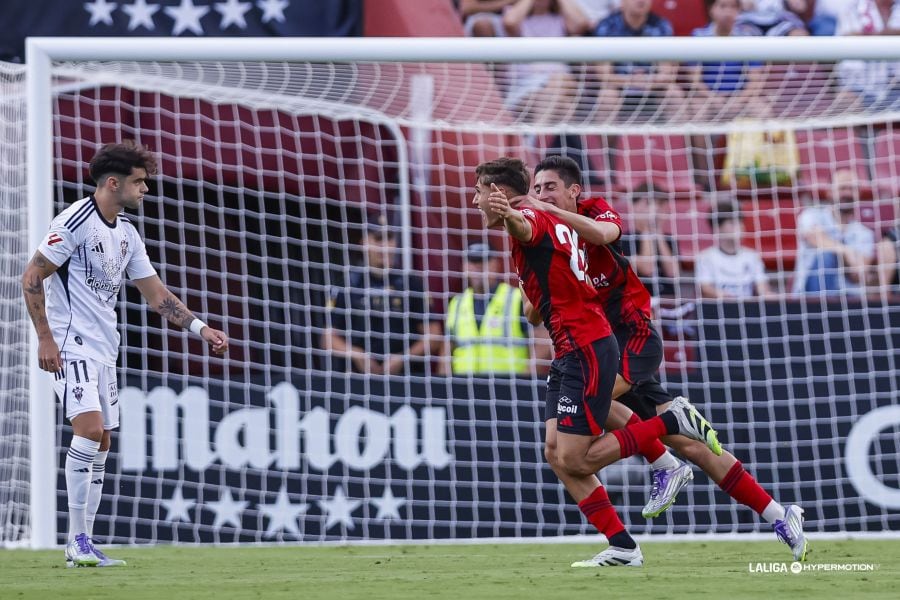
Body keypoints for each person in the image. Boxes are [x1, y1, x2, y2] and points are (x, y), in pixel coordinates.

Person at [529, 155, 808, 561]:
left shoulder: (595, 212)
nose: (541, 196)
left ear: (574, 190)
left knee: (588, 411)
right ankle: (778, 514)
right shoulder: (543, 237)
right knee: (690, 447)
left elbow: (605, 234)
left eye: (550, 187)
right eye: (536, 189)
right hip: (594, 346)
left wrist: (551, 216)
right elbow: (535, 309)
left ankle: (664, 458)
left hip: (631, 337)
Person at [473, 156, 722, 567]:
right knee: (555, 452)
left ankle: (670, 423)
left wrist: (512, 216)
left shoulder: (528, 218)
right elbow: (536, 304)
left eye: (480, 192)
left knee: (576, 457)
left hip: (585, 346)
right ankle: (622, 544)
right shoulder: (546, 221)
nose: (475, 201)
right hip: (571, 347)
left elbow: (524, 225)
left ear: (499, 195)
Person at [21, 141, 229, 568]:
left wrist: (201, 328)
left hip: (105, 347)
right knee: (89, 429)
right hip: (70, 341)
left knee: (103, 440)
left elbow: (157, 295)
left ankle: (84, 544)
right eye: (139, 181)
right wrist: (45, 338)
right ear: (113, 183)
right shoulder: (74, 221)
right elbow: (32, 277)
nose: (145, 189)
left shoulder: (127, 232)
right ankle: (75, 539)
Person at [321, 212, 442, 376]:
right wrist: (355, 354)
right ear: (364, 243)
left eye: (389, 238)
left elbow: (434, 335)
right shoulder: (348, 283)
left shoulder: (411, 282)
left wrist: (403, 358)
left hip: (405, 378)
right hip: (358, 377)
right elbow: (328, 338)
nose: (385, 246)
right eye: (378, 239)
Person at [444, 242, 534, 376]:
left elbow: (542, 343)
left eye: (484, 261)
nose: (478, 266)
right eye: (473, 261)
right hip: (465, 384)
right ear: (464, 267)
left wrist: (525, 378)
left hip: (509, 384)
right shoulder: (456, 303)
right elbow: (447, 349)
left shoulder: (516, 299)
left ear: (497, 264)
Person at [592, 0, 685, 122]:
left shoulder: (661, 25)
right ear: (622, 2)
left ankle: (677, 135)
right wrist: (631, 81)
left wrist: (647, 81)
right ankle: (607, 136)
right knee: (607, 97)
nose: (641, 1)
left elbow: (666, 74)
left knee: (674, 94)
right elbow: (604, 75)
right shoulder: (606, 26)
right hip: (618, 86)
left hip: (653, 87)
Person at [792, 168, 875, 295]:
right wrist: (846, 252)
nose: (847, 193)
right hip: (810, 295)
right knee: (826, 256)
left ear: (859, 193)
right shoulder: (811, 215)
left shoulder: (864, 233)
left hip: (849, 297)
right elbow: (814, 237)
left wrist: (846, 258)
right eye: (842, 188)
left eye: (852, 188)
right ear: (829, 192)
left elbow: (859, 275)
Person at [695, 201, 775, 299]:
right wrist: (730, 299)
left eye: (740, 222)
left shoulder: (752, 256)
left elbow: (762, 287)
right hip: (721, 306)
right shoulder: (706, 257)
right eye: (732, 223)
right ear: (717, 228)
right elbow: (705, 288)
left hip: (747, 307)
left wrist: (767, 294)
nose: (740, 227)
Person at [618, 182, 680, 298]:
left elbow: (673, 273)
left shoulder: (668, 239)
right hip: (640, 299)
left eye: (659, 204)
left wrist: (658, 231)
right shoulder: (624, 239)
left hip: (669, 299)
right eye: (648, 203)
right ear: (634, 207)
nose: (655, 209)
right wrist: (646, 229)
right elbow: (647, 269)